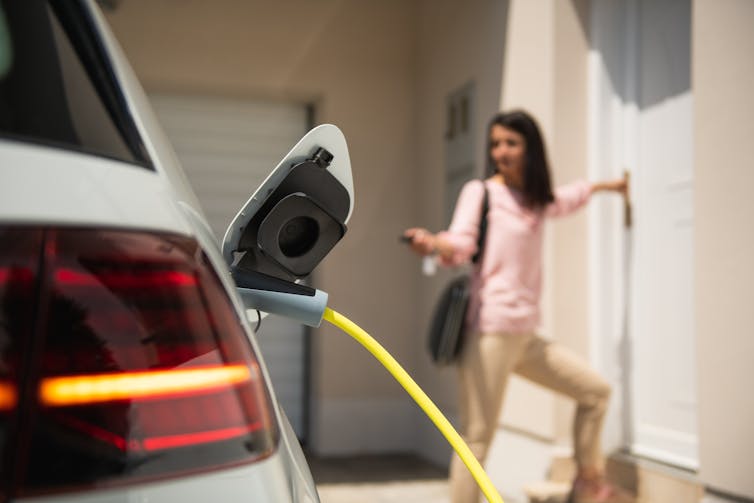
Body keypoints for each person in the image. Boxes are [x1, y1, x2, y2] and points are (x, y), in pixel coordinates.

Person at [403, 110, 633, 503]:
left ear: (530, 149)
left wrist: (612, 187)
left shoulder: (536, 200)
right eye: (495, 144)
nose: (501, 151)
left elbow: (570, 196)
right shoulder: (482, 193)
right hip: (489, 332)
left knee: (595, 393)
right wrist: (434, 243)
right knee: (476, 441)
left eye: (511, 143)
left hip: (525, 336)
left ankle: (587, 483)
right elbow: (461, 243)